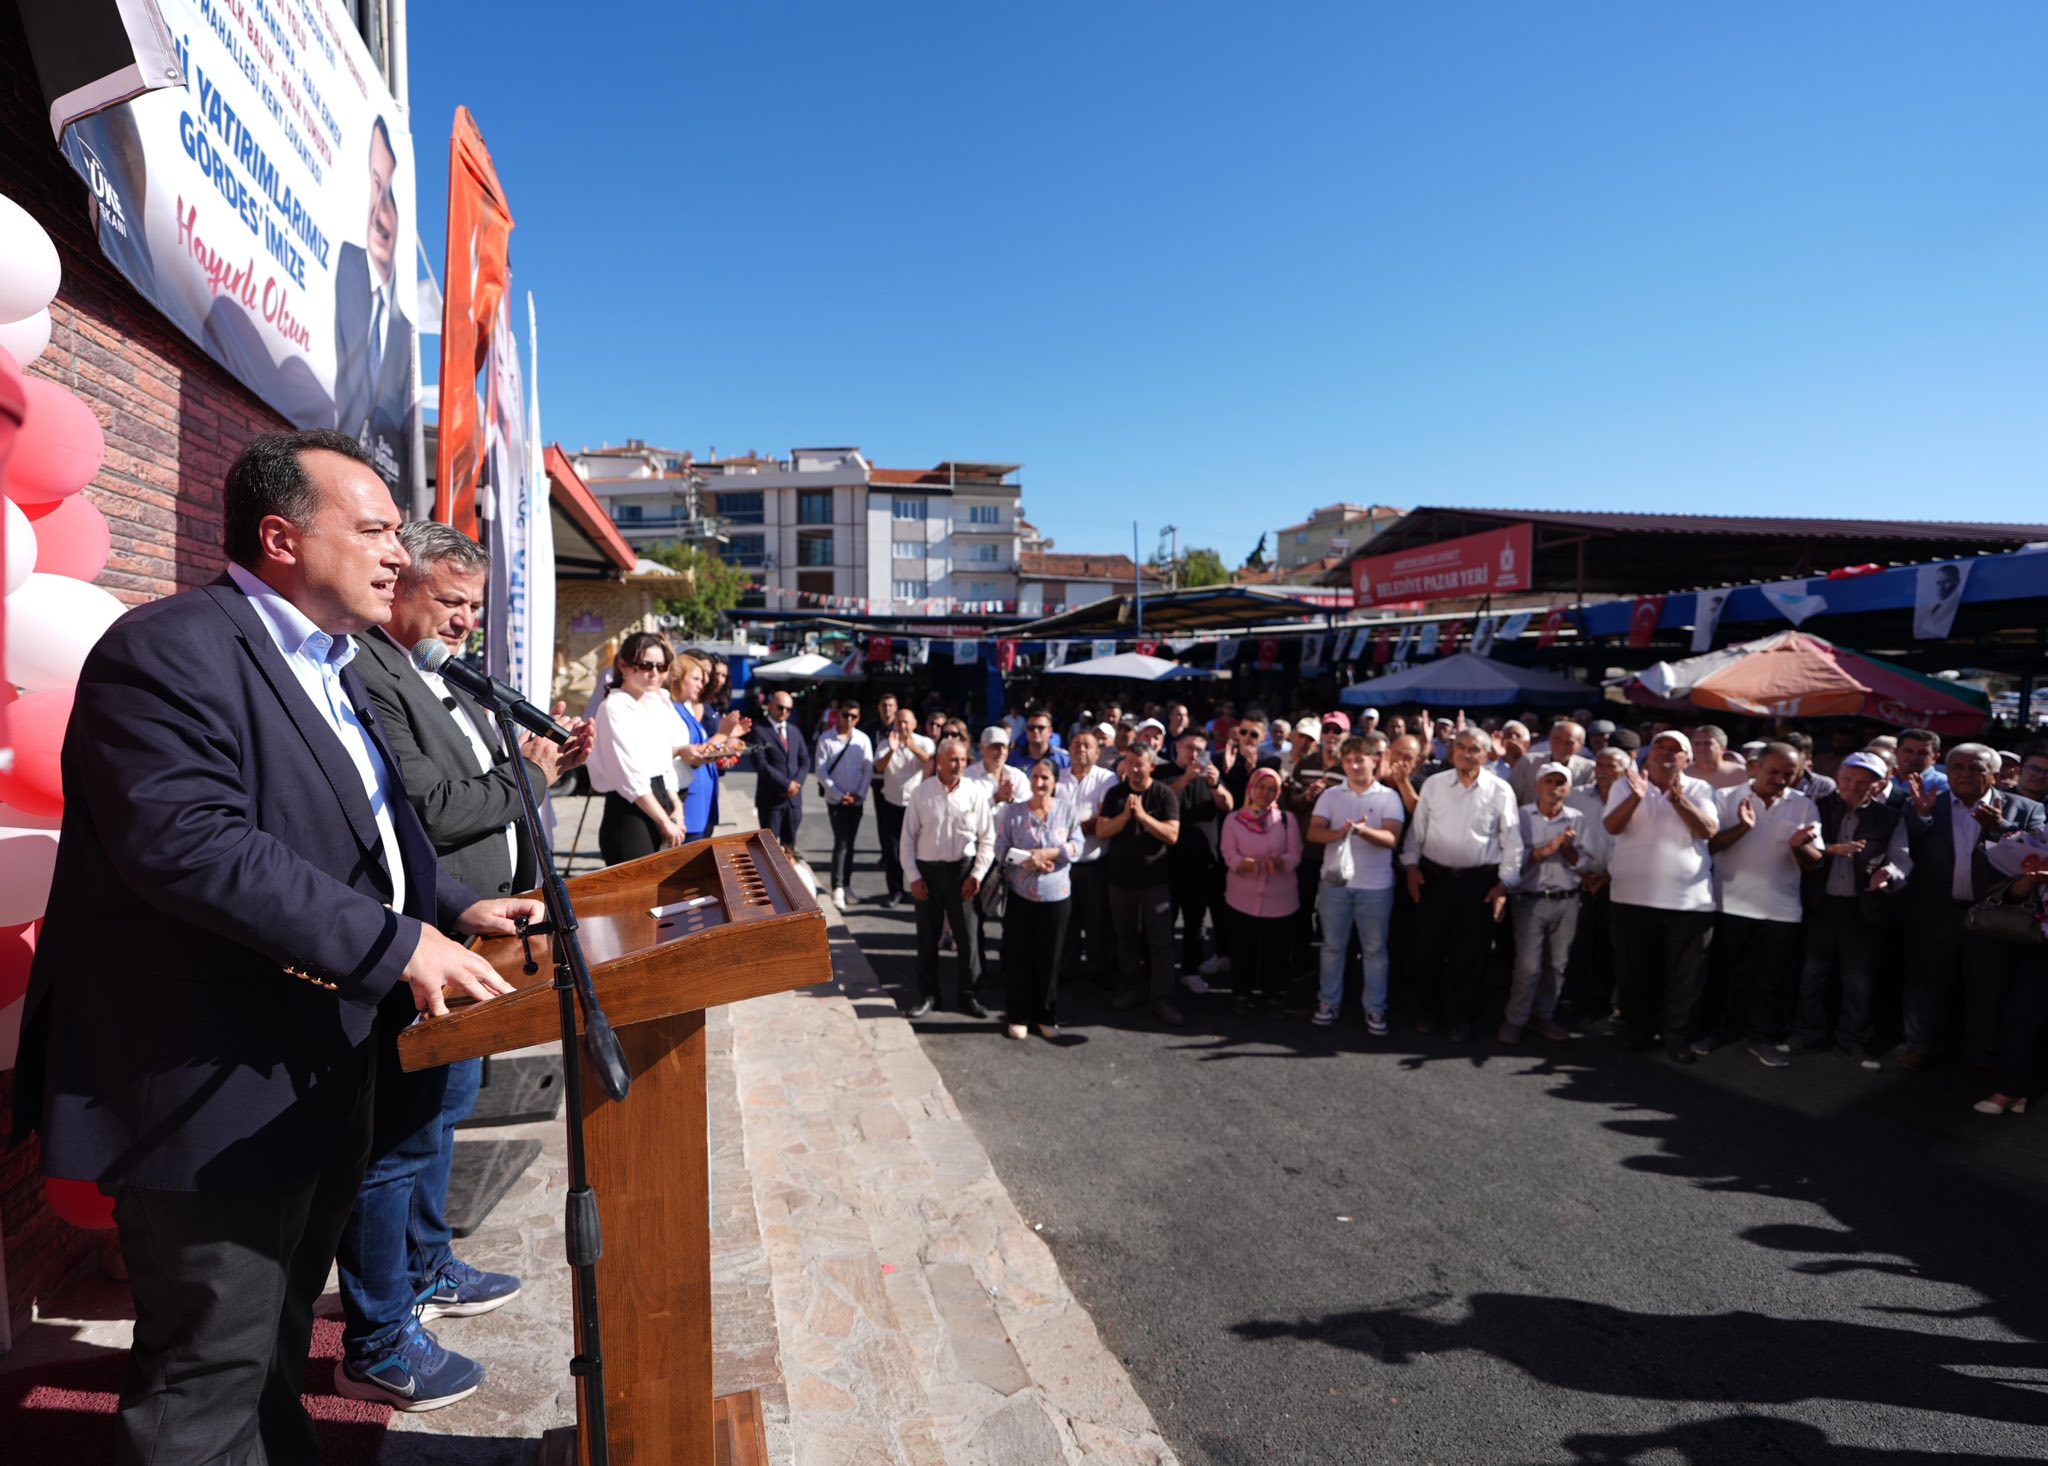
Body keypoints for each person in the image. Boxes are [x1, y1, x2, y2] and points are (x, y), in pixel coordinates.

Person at [13, 430, 534, 1460]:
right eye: (376, 528)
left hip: (315, 1067)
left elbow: (364, 826)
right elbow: (187, 840)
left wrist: (453, 905)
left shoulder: (332, 664)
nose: (400, 552)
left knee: (280, 1339)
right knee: (207, 1368)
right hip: (207, 1088)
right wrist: (394, 942)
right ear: (280, 535)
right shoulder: (167, 647)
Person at [343, 521, 596, 1405]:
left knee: (442, 1120)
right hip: (415, 951)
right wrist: (528, 776)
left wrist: (542, 767)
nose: (462, 621)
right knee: (398, 1143)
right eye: (449, 602)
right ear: (400, 584)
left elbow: (476, 794)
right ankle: (379, 1328)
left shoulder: (441, 673)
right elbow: (434, 810)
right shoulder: (369, 669)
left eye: (473, 607)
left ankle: (429, 1263)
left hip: (474, 933)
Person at [1897, 743, 2046, 1070]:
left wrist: (2002, 828)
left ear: (1994, 774)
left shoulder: (2025, 809)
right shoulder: (1926, 803)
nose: (1966, 774)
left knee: (1987, 988)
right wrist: (1920, 815)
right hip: (1935, 911)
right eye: (1958, 767)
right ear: (1946, 771)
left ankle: (1979, 1053)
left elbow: (2036, 857)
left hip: (1995, 915)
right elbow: (1902, 849)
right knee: (1926, 983)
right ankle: (1920, 1045)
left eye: (1976, 768)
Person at [1700, 743, 1821, 1067]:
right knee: (1719, 976)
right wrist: (1743, 827)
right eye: (1774, 772)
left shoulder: (1804, 805)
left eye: (1788, 774)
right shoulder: (1724, 797)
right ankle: (1712, 1032)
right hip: (1728, 903)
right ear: (1755, 768)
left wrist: (1800, 847)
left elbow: (1813, 861)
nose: (1781, 779)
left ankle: (1760, 1039)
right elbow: (1708, 846)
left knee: (1769, 981)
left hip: (1780, 910)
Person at [1603, 730, 1720, 1063]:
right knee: (1634, 973)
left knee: (1684, 978)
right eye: (1660, 747)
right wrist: (1636, 798)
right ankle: (1636, 1032)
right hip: (1631, 898)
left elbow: (1708, 831)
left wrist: (1677, 798)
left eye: (1675, 749)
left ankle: (1676, 1038)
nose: (1666, 753)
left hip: (1688, 903)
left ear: (1687, 759)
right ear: (1648, 753)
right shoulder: (1624, 785)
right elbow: (1611, 826)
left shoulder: (1700, 788)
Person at [1792, 752, 1910, 1068]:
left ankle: (1852, 1039)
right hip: (1821, 904)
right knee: (1813, 974)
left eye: (1862, 783)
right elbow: (1803, 846)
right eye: (1847, 780)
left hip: (1863, 909)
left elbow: (1901, 858)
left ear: (1879, 785)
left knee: (1858, 979)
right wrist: (1828, 850)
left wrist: (1888, 875)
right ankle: (1809, 1033)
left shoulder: (1889, 817)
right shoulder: (1817, 806)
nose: (1852, 788)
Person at [1404, 728, 1523, 1041]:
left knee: (1470, 955)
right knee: (1429, 949)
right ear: (1451, 751)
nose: (1467, 754)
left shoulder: (1500, 790)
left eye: (1474, 749)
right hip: (1435, 878)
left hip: (1478, 883)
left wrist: (1505, 884)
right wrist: (1412, 867)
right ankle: (1427, 1010)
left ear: (1486, 755)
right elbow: (1418, 833)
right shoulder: (1434, 784)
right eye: (1461, 747)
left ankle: (1463, 1017)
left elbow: (1511, 841)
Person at [590, 634, 742, 863]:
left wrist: (676, 806)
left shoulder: (653, 702)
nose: (654, 673)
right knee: (639, 891)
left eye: (661, 667)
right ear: (624, 665)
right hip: (630, 812)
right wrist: (665, 821)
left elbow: (662, 762)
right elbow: (630, 778)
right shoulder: (614, 708)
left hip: (659, 801)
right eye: (645, 665)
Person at [333, 118, 415, 490]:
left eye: (392, 197)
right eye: (375, 185)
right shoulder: (344, 268)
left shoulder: (402, 331)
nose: (380, 212)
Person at [1307, 735, 1405, 1032]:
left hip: (1375, 888)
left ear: (1374, 761)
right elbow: (1313, 833)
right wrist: (1340, 833)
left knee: (1375, 950)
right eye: (1348, 760)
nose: (1353, 765)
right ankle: (1328, 1001)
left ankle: (1375, 1009)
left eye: (1359, 759)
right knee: (1332, 947)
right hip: (1335, 884)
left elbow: (1392, 839)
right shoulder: (1331, 795)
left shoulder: (1388, 797)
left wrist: (1364, 832)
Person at [900, 737, 996, 1018]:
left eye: (963, 760)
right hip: (928, 873)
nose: (958, 765)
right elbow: (906, 840)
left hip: (962, 873)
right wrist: (914, 877)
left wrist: (978, 873)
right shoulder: (922, 793)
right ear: (939, 761)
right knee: (927, 938)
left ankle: (968, 996)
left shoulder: (975, 793)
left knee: (967, 939)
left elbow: (987, 838)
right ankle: (930, 996)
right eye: (953, 759)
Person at [995, 759, 1084, 1039]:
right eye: (1035, 777)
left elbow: (1077, 846)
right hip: (1021, 895)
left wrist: (1049, 854)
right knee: (1019, 955)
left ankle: (1045, 1014)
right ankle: (1018, 1015)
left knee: (1050, 957)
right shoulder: (1015, 812)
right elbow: (1001, 848)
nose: (1039, 783)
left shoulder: (1067, 810)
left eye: (1045, 778)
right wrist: (1028, 860)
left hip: (1056, 896)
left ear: (1055, 781)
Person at [1099, 746, 1185, 1025]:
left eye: (1140, 764)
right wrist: (1125, 816)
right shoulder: (1115, 795)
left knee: (1160, 943)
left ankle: (1163, 999)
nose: (1135, 769)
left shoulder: (1164, 794)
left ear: (1152, 767)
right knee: (1126, 939)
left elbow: (1172, 835)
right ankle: (1132, 988)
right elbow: (1102, 831)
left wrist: (1143, 817)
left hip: (1154, 882)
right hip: (1120, 881)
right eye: (1130, 763)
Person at [1501, 764, 1587, 1044]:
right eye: (1549, 782)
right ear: (1538, 785)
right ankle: (1515, 1020)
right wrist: (1548, 849)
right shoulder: (1521, 817)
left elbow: (1584, 863)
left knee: (1557, 964)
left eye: (1561, 783)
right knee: (1528, 965)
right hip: (1530, 899)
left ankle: (1543, 1016)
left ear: (1569, 789)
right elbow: (1513, 860)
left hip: (1566, 900)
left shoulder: (1577, 818)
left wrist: (1568, 849)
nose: (1555, 788)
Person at [1975, 831, 2048, 1114]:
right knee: (2021, 1013)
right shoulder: (2042, 832)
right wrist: (2030, 879)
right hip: (2039, 942)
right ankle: (2010, 1090)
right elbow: (2013, 894)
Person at [1220, 767, 1302, 1013]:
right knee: (1243, 948)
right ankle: (1241, 993)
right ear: (1250, 788)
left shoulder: (1287, 820)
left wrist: (1279, 863)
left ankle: (1272, 993)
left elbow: (1295, 854)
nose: (1266, 793)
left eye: (1272, 789)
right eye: (1261, 787)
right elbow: (1229, 855)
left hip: (1281, 899)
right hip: (1242, 898)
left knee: (1276, 949)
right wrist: (1250, 865)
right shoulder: (1233, 820)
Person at [1167, 729, 1234, 989]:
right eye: (1189, 748)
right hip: (1170, 861)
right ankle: (1158, 972)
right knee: (1165, 921)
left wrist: (1216, 785)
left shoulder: (1211, 775)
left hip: (1204, 861)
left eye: (1199, 750)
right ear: (1178, 747)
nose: (1194, 754)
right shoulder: (1166, 773)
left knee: (1196, 922)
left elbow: (1228, 805)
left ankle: (1190, 970)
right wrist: (1186, 778)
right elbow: (1164, 799)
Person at [1059, 729, 1120, 989]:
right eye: (1076, 743)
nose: (1081, 748)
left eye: (1087, 745)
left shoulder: (1108, 779)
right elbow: (1044, 812)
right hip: (1062, 865)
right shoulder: (1057, 778)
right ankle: (1066, 969)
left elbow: (1104, 819)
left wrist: (1068, 828)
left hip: (1095, 864)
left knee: (1097, 922)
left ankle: (1097, 971)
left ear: (1098, 752)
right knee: (1066, 921)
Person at [815, 696, 875, 907]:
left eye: (853, 716)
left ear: (858, 719)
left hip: (857, 800)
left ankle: (846, 884)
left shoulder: (863, 740)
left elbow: (868, 769)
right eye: (845, 714)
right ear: (839, 715)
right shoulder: (826, 739)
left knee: (850, 843)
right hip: (836, 800)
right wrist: (841, 795)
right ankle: (837, 887)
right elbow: (820, 771)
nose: (849, 719)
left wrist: (859, 793)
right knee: (841, 842)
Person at [875, 706, 935, 905]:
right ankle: (895, 891)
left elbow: (931, 764)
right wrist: (892, 750)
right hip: (892, 804)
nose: (902, 726)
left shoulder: (925, 743)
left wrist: (912, 747)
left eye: (906, 722)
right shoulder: (886, 743)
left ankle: (921, 890)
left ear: (915, 724)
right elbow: (880, 768)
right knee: (892, 851)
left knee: (919, 850)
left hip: (916, 806)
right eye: (899, 722)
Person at [670, 653, 728, 840]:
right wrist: (723, 735)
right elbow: (691, 750)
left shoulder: (684, 707)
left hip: (699, 792)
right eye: (696, 678)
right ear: (679, 677)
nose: (702, 684)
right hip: (688, 794)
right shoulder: (671, 708)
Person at [752, 688, 813, 847]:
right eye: (780, 707)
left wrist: (796, 784)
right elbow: (761, 764)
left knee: (789, 848)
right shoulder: (759, 731)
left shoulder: (794, 731)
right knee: (769, 849)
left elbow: (805, 760)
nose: (784, 712)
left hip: (793, 801)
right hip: (771, 801)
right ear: (771, 705)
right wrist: (786, 784)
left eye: (788, 709)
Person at [968, 724, 1031, 804]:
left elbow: (1029, 808)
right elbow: (967, 811)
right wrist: (997, 798)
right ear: (982, 748)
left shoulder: (1017, 776)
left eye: (1004, 747)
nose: (1001, 752)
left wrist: (1011, 800)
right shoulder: (968, 777)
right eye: (995, 747)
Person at [1689, 725, 1752, 791]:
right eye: (1697, 743)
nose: (1701, 748)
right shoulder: (1684, 773)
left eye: (1708, 743)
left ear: (1722, 748)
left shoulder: (1740, 774)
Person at [1010, 708, 1071, 773]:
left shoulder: (1063, 760)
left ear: (1050, 731)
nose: (1035, 731)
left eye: (1041, 728)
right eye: (1031, 728)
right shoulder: (1014, 758)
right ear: (1026, 731)